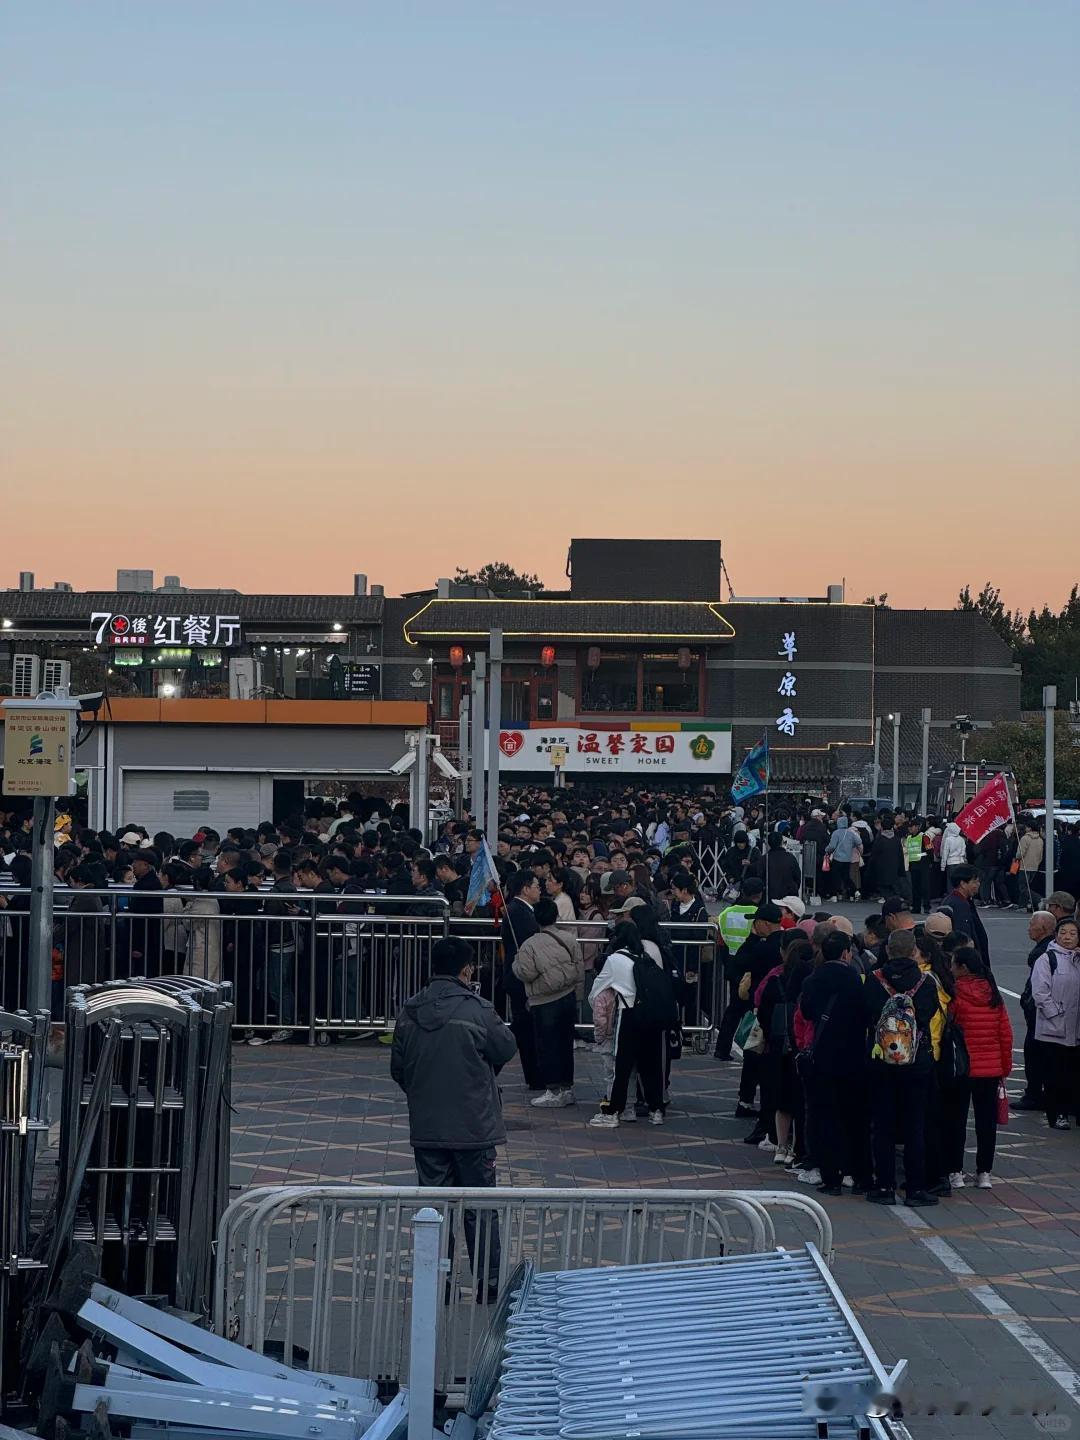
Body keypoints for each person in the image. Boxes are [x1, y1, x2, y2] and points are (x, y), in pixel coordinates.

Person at [391, 936, 517, 1302]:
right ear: (466, 970)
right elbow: (506, 1046)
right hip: (474, 1126)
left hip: (428, 1127)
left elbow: (399, 1069)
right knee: (480, 1207)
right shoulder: (478, 1009)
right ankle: (489, 1285)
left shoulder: (410, 1011)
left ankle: (436, 1283)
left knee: (433, 1208)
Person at [862, 929, 943, 1206]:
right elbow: (929, 1014)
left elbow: (867, 1014)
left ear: (887, 950)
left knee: (882, 1125)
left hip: (881, 1061)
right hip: (916, 1062)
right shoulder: (925, 982)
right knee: (914, 1126)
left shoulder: (874, 980)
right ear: (913, 952)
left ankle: (884, 1186)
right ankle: (915, 1188)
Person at [799, 928, 872, 1196]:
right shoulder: (855, 980)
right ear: (845, 953)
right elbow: (866, 1015)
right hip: (853, 1055)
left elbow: (806, 1012)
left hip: (822, 1056)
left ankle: (831, 1177)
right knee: (856, 1119)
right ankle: (860, 1174)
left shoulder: (813, 979)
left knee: (824, 1118)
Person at [588, 922, 668, 1127]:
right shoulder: (646, 957)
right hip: (652, 1016)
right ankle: (656, 1110)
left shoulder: (615, 960)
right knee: (651, 1066)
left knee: (621, 1067)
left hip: (629, 1015)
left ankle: (613, 1112)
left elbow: (596, 991)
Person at [946, 945, 1012, 1189]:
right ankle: (984, 1172)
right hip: (990, 1069)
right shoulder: (993, 994)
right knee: (986, 1122)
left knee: (957, 1120)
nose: (951, 968)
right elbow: (1005, 1034)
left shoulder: (955, 994)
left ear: (962, 968)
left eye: (953, 964)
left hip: (963, 1068)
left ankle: (955, 1171)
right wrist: (1004, 1067)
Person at [512, 896, 583, 1109]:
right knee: (564, 1044)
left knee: (547, 1045)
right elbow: (578, 968)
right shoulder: (569, 939)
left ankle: (552, 1090)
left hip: (544, 1001)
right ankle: (567, 1088)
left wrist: (516, 963)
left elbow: (526, 972)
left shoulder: (529, 944)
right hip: (568, 996)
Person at [1031, 917, 1080, 1130]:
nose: (1067, 937)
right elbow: (1040, 993)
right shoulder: (1047, 958)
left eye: (1072, 933)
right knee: (1054, 1075)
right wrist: (1055, 1014)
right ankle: (1056, 1113)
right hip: (1053, 1029)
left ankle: (1070, 1110)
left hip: (1076, 1029)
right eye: (1063, 932)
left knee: (1072, 1074)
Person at [713, 878, 765, 1061]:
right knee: (752, 1010)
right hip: (753, 968)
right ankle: (749, 1050)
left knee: (734, 1010)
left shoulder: (726, 913)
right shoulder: (758, 913)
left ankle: (723, 1047)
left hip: (732, 966)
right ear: (759, 894)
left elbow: (720, 942)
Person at [500, 869, 542, 1089]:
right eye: (536, 885)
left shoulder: (522, 910)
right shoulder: (518, 912)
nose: (539, 889)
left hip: (520, 975)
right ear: (525, 889)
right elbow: (526, 946)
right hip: (520, 977)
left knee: (523, 1027)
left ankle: (535, 1076)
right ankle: (534, 1078)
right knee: (523, 1029)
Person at [1013, 910, 1057, 1112]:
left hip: (1041, 1013)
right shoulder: (1047, 949)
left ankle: (1035, 1094)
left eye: (1032, 924)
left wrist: (1031, 1004)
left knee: (1035, 1053)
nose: (1028, 928)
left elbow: (1039, 987)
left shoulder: (1044, 952)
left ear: (1044, 928)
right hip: (1041, 1012)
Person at [939, 865, 991, 966]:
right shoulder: (959, 904)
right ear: (963, 884)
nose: (978, 884)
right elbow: (963, 936)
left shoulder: (960, 901)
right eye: (975, 881)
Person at [824, 817, 863, 901]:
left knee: (835, 877)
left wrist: (826, 850)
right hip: (848, 859)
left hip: (837, 858)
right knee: (846, 877)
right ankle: (855, 891)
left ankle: (834, 895)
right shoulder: (851, 833)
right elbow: (859, 842)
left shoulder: (836, 833)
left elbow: (832, 846)